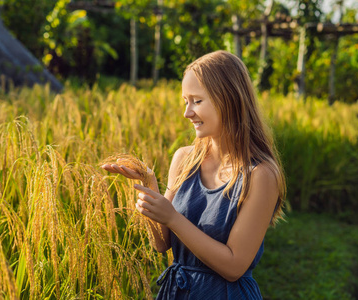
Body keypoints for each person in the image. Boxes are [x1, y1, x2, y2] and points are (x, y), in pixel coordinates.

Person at [101, 50, 286, 300]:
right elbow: (161, 243)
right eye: (185, 101)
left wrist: (173, 218)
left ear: (228, 99)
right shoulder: (184, 159)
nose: (187, 113)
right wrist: (149, 185)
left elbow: (234, 267)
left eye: (197, 101)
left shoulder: (260, 175)